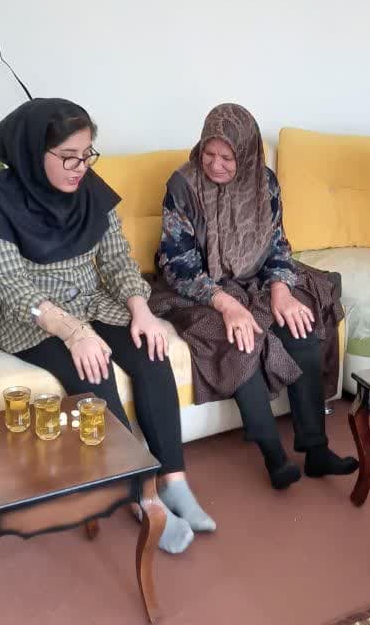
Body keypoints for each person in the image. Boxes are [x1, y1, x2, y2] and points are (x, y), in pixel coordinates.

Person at [0, 98, 213, 554]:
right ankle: (139, 494)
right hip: (32, 316)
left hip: (90, 301)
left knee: (152, 351)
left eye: (86, 155)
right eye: (68, 157)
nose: (80, 167)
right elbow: (10, 285)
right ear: (33, 153)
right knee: (94, 371)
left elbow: (118, 259)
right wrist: (74, 333)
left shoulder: (89, 189)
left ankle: (174, 480)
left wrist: (141, 310)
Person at [149, 103, 357, 489]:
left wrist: (281, 289)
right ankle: (274, 457)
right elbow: (179, 266)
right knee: (238, 341)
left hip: (258, 279)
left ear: (245, 154)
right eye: (209, 153)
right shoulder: (183, 185)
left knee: (300, 323)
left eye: (227, 157)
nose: (215, 165)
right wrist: (226, 304)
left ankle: (316, 450)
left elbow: (278, 244)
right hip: (200, 288)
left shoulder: (265, 182)